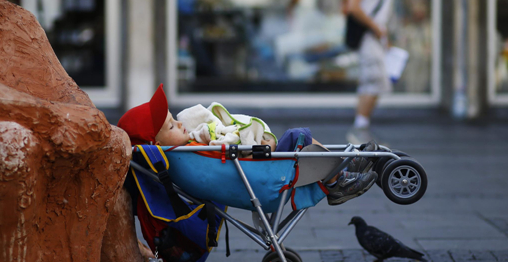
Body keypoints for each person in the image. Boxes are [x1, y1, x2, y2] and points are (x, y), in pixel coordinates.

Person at [117, 84, 378, 206]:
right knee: (300, 136)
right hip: (262, 173)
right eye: (172, 126)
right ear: (156, 143)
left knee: (298, 140)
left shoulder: (183, 151)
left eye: (175, 119)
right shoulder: (186, 153)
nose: (181, 124)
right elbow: (225, 144)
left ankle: (343, 164)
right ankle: (338, 180)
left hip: (256, 169)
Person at [346, 0, 397, 145]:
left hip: (378, 37)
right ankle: (359, 129)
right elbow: (353, 6)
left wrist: (385, 35)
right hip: (367, 36)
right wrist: (375, 28)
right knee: (372, 81)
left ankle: (362, 126)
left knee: (378, 81)